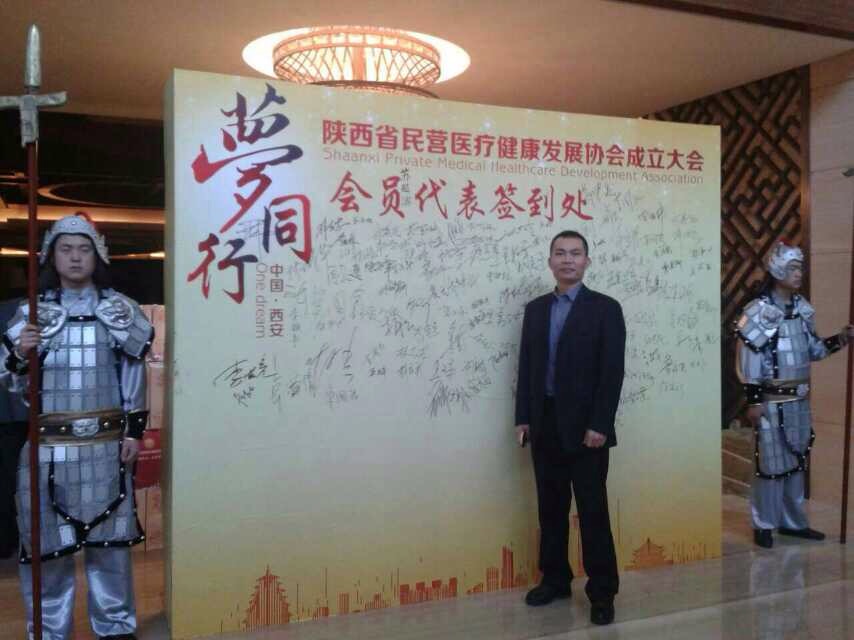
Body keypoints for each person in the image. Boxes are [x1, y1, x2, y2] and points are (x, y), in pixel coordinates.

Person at [1, 213, 153, 640]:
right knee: (48, 550)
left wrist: (133, 431)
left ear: (97, 255)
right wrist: (21, 353)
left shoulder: (120, 309)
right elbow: (11, 379)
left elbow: (133, 372)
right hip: (48, 447)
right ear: (51, 256)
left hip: (106, 445)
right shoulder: (32, 313)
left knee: (111, 548)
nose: (75, 257)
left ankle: (116, 627)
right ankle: (49, 631)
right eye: (66, 249)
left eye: (84, 249)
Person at [515, 229, 625, 626]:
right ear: (550, 262)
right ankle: (555, 579)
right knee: (551, 509)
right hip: (544, 424)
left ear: (587, 261)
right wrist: (523, 417)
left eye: (575, 253)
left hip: (586, 430)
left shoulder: (605, 309)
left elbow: (612, 371)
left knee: (592, 512)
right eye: (560, 253)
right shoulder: (536, 309)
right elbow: (527, 367)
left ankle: (602, 592)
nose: (567, 260)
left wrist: (600, 424)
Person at [735, 242, 853, 549]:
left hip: (799, 402)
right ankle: (764, 523)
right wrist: (754, 400)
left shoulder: (802, 308)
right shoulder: (758, 311)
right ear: (777, 271)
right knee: (770, 466)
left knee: (796, 463)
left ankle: (793, 522)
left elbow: (813, 350)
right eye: (792, 268)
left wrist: (841, 339)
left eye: (800, 267)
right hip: (771, 402)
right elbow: (749, 358)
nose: (799, 273)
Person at [0, 298, 28, 558]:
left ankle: (7, 540)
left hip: (12, 413)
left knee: (9, 480)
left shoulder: (17, 309)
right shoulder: (19, 309)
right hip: (21, 411)